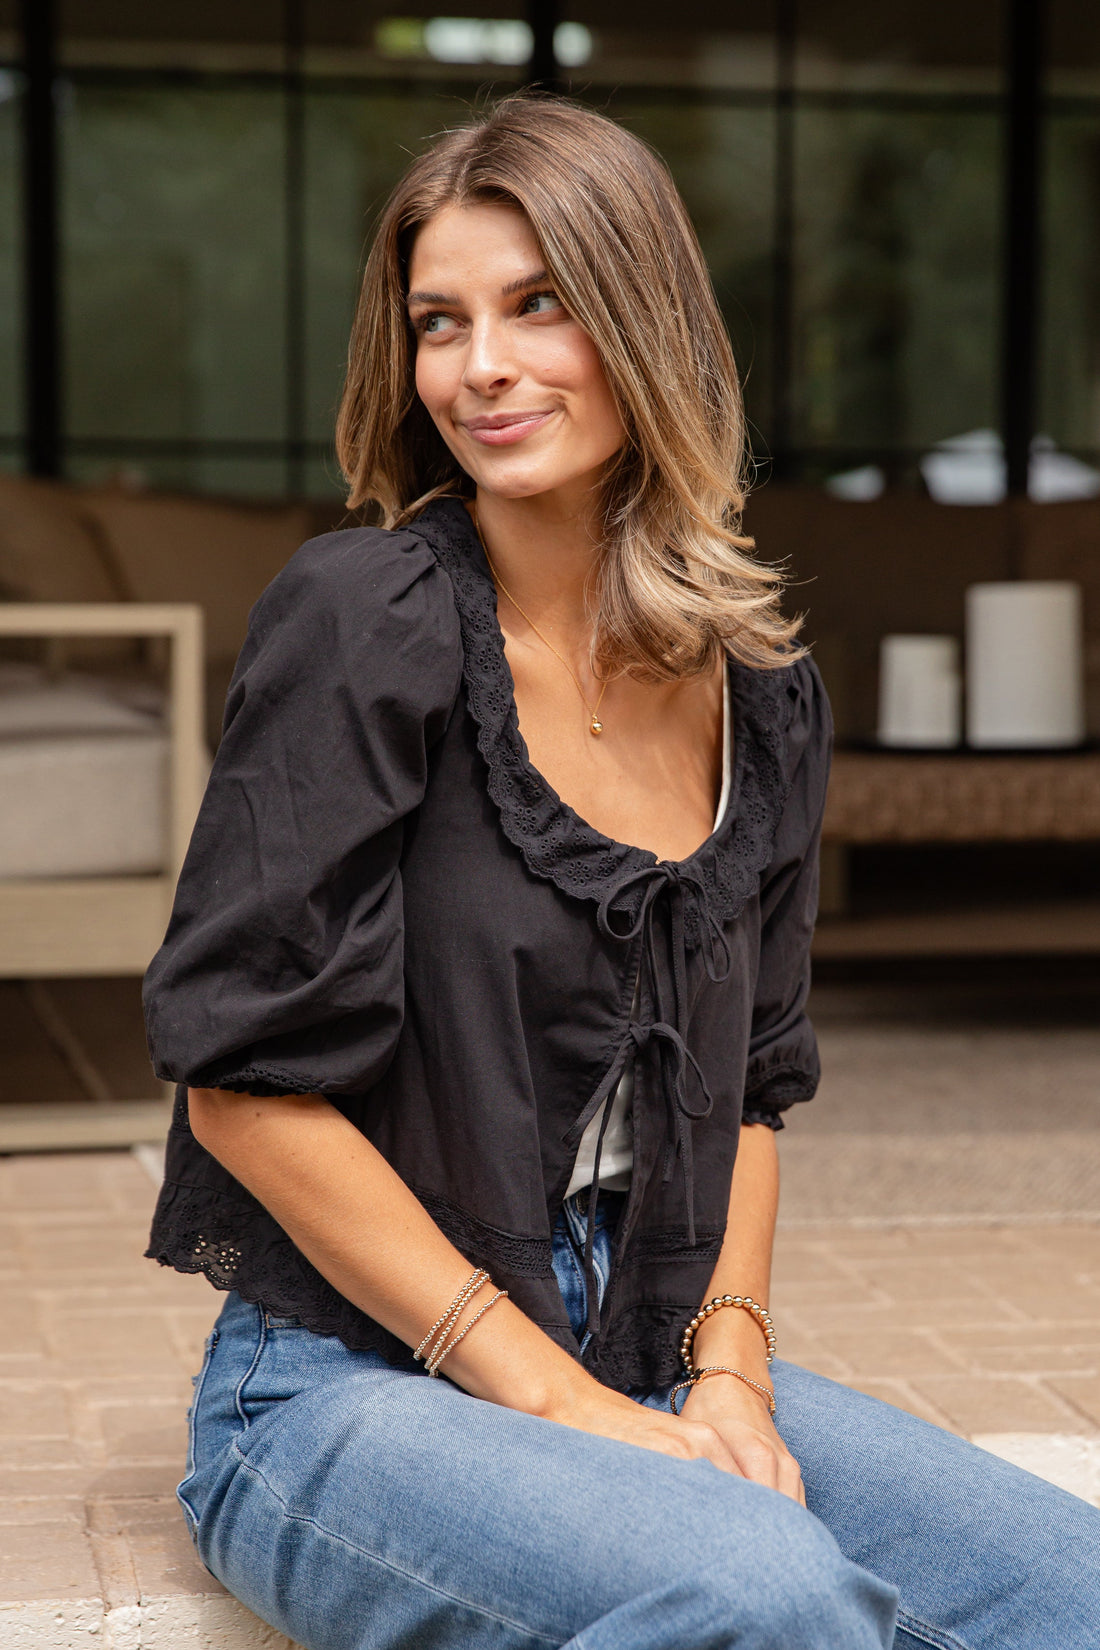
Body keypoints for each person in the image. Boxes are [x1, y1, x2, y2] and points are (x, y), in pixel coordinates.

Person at [142, 95, 1100, 1650]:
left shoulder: (760, 691)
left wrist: (725, 1372)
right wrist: (557, 1397)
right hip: (343, 1383)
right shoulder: (364, 619)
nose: (481, 366)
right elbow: (239, 1083)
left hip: (648, 1329)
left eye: (538, 304)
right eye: (439, 323)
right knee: (764, 1596)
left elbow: (745, 1098)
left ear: (646, 321)